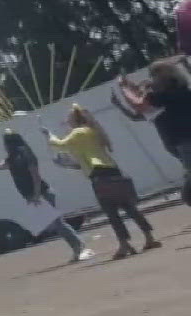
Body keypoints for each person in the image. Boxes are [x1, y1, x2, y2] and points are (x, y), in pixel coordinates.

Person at [45, 105, 159, 259]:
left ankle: (125, 245)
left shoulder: (78, 132)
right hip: (113, 170)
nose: (67, 121)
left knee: (112, 212)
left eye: (69, 118)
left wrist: (49, 135)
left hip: (99, 175)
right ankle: (149, 237)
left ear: (74, 119)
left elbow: (60, 145)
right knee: (130, 208)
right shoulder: (93, 130)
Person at [0, 129, 90, 262]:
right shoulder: (13, 158)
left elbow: (35, 176)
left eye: (6, 143)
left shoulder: (26, 155)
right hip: (34, 195)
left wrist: (36, 195)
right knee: (56, 224)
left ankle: (79, 247)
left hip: (41, 193)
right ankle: (78, 246)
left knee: (58, 224)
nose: (5, 146)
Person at [112, 57, 191, 207]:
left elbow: (139, 104)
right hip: (180, 145)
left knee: (188, 194)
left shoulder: (164, 96)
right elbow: (142, 105)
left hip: (185, 143)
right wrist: (129, 87)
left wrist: (123, 87)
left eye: (153, 75)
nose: (151, 79)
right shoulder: (179, 92)